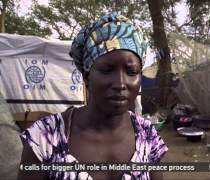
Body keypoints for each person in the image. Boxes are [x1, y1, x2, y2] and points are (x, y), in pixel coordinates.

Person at [18, 13, 168, 180]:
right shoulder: (45, 139)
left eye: (131, 72)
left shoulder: (147, 135)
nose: (120, 83)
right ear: (86, 76)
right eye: (106, 70)